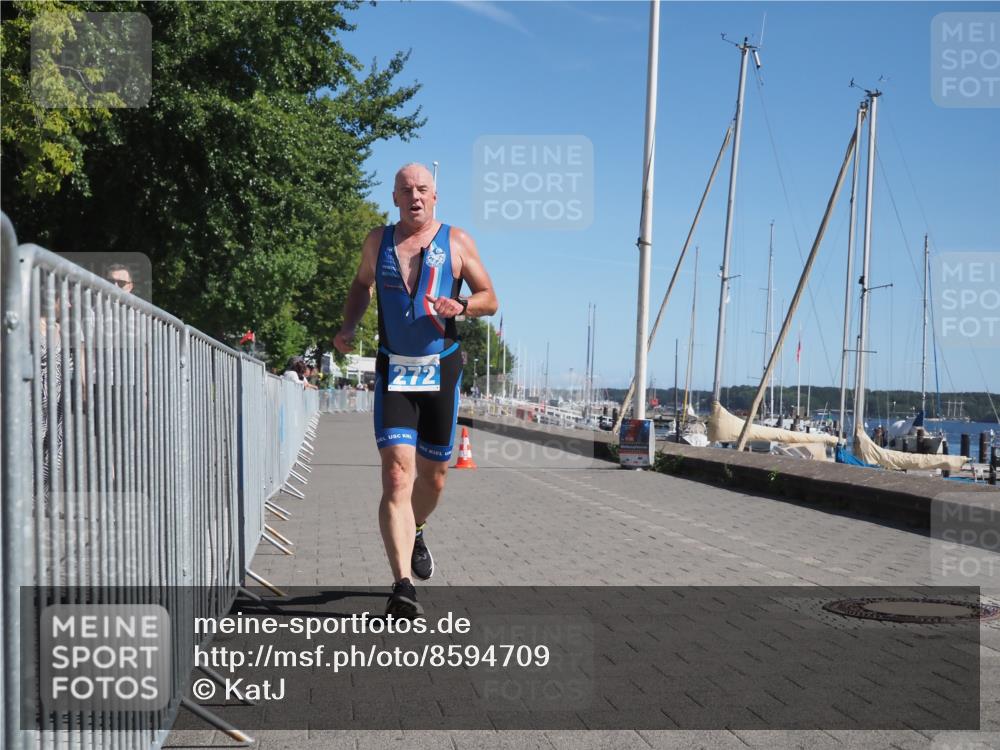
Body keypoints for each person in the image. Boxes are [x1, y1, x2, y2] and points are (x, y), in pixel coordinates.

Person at [334, 162, 498, 618]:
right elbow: (361, 286)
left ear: (435, 195)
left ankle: (418, 526)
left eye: (423, 189)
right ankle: (402, 586)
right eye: (406, 190)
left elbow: (491, 298)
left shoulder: (458, 241)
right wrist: (349, 324)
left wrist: (462, 305)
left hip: (440, 371)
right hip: (394, 370)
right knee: (395, 476)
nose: (415, 196)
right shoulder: (377, 241)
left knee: (434, 477)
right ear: (395, 197)